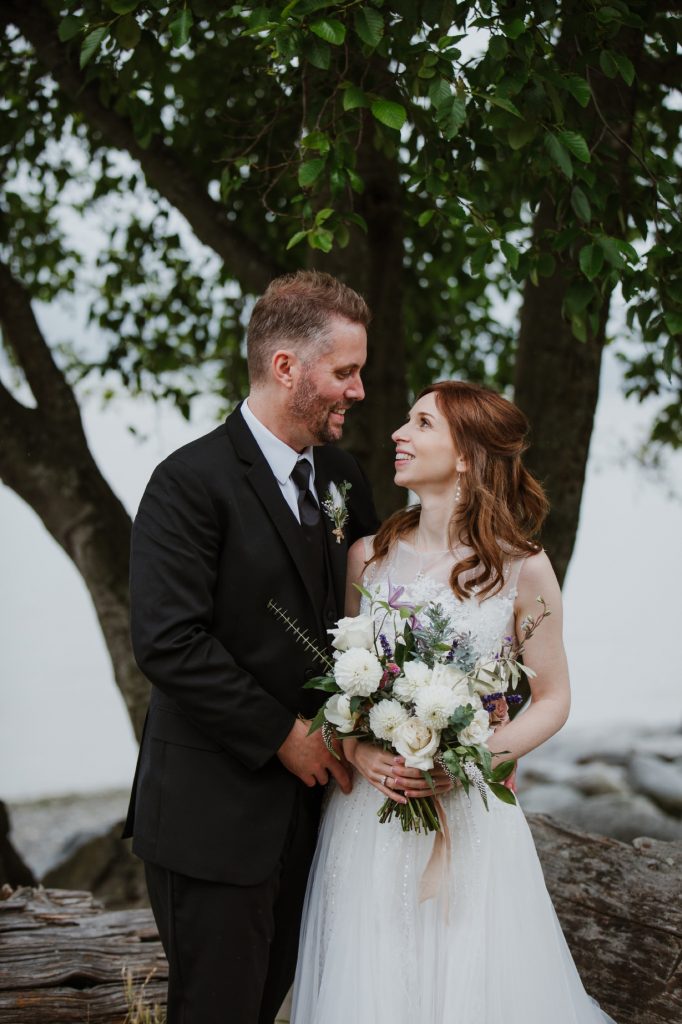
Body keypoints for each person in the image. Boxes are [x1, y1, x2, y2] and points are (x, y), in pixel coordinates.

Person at [291, 380, 617, 1024]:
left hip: (469, 815)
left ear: (465, 454)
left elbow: (552, 698)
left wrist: (473, 756)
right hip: (370, 819)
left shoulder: (522, 567)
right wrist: (359, 752)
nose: (397, 435)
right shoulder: (368, 558)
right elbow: (340, 689)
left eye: (420, 424)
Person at [122, 270, 380, 1024]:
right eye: (346, 372)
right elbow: (168, 641)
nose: (358, 391)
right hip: (213, 818)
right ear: (285, 367)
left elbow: (369, 616)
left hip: (318, 820)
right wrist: (282, 736)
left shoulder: (343, 477)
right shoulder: (187, 483)